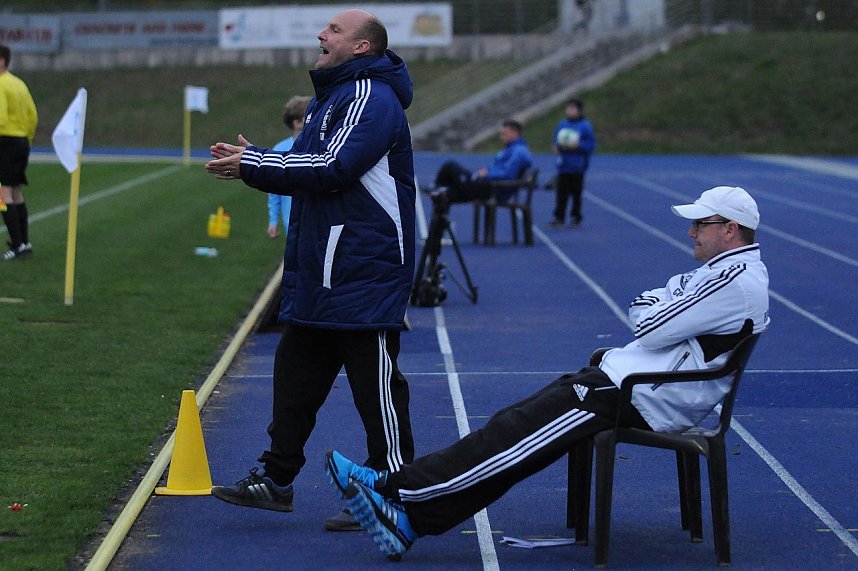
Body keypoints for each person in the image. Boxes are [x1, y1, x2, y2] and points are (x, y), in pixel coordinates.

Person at [324, 185, 770, 560]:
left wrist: (660, 305)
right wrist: (662, 304)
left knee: (512, 441)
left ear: (730, 229)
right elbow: (653, 303)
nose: (691, 231)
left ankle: (396, 491)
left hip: (641, 396)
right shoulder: (721, 272)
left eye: (701, 224)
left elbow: (648, 322)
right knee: (509, 427)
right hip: (622, 380)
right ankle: (407, 516)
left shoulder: (734, 280)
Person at [204, 9, 416, 532]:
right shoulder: (332, 96)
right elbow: (302, 165)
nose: (321, 35)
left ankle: (397, 491)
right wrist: (256, 157)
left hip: (363, 269)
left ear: (362, 47)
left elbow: (331, 168)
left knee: (376, 388)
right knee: (295, 368)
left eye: (335, 31)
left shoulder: (371, 96)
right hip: (322, 267)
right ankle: (276, 479)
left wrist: (255, 166)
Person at [429, 119, 532, 210]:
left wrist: (487, 174)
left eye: (504, 134)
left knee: (450, 166)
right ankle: (439, 192)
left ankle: (436, 187)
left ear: (515, 133)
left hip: (493, 189)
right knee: (444, 196)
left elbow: (508, 174)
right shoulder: (513, 149)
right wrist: (487, 172)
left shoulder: (518, 151)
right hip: (491, 186)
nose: (501, 137)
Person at [0, 44, 38, 261]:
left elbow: (1, 119)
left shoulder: (1, 83)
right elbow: (33, 114)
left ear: (2, 61)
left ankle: (16, 246)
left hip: (6, 141)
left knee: (2, 196)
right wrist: (27, 138)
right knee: (15, 192)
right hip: (22, 140)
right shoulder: (19, 83)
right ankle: (25, 242)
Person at [267, 95, 311, 239]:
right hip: (291, 222)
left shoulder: (319, 146)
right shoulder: (280, 149)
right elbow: (273, 190)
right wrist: (273, 221)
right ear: (297, 122)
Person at [549, 97, 595, 228]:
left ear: (579, 110)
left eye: (573, 108)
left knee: (576, 193)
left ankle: (576, 216)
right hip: (563, 165)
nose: (570, 110)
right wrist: (555, 147)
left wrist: (578, 146)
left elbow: (590, 145)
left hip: (577, 165)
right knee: (561, 193)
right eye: (568, 108)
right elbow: (555, 140)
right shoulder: (562, 124)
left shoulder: (585, 126)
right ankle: (559, 217)